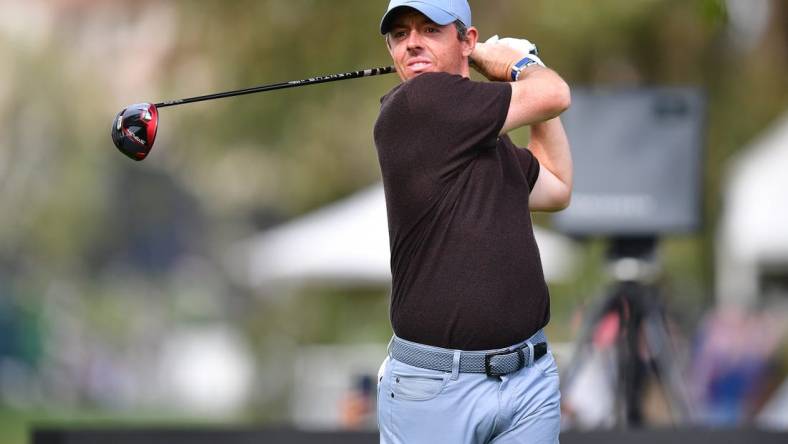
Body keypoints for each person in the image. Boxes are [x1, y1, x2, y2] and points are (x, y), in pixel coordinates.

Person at [373, 0, 572, 442]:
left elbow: (556, 185)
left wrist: (522, 72)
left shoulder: (486, 141)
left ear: (468, 40)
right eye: (400, 35)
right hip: (436, 391)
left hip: (528, 379)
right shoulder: (419, 105)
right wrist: (521, 65)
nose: (412, 44)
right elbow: (555, 94)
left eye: (429, 29)